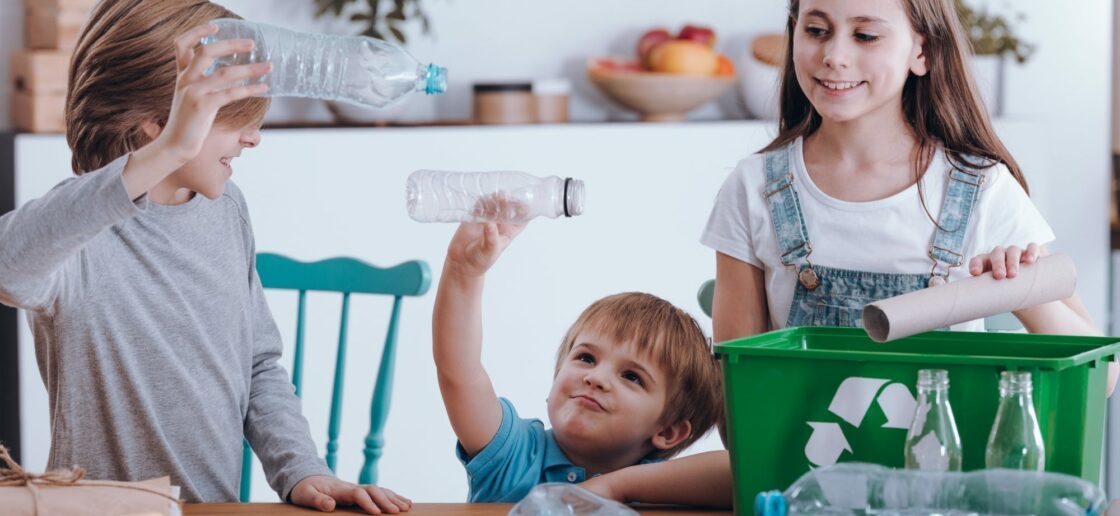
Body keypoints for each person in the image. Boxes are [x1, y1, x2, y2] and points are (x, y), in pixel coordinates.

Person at [0, 1, 409, 512]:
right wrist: (168, 151)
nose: (253, 138)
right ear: (159, 123)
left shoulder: (226, 210)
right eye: (234, 119)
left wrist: (301, 467)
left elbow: (258, 365)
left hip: (212, 508)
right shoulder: (79, 230)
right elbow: (7, 263)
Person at [432, 221, 725, 504]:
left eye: (632, 377)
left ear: (667, 431)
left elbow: (741, 474)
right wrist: (464, 272)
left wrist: (613, 487)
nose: (596, 377)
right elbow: (460, 373)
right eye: (586, 358)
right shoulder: (513, 455)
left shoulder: (661, 488)